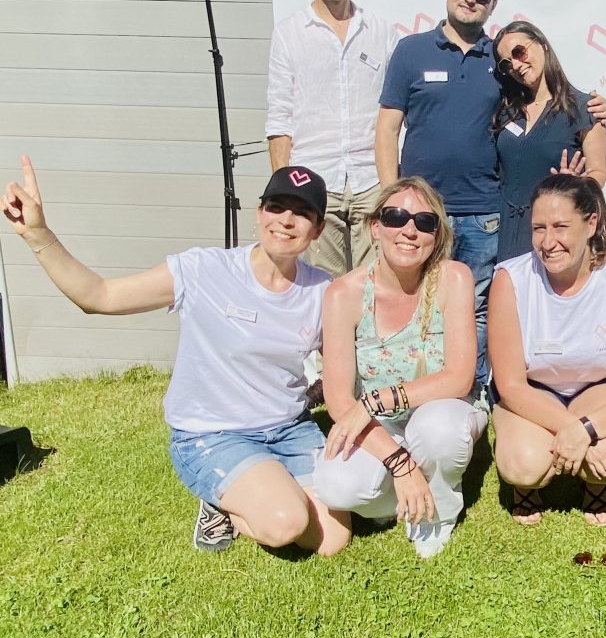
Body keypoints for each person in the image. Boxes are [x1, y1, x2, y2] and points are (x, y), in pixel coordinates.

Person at [2, 157, 352, 555]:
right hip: (213, 433)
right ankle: (219, 499)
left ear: (319, 228)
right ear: (259, 213)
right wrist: (38, 235)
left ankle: (255, 486)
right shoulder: (202, 270)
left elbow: (352, 366)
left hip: (289, 428)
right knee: (285, 522)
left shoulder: (324, 290)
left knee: (333, 540)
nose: (286, 220)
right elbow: (99, 296)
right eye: (276, 207)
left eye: (302, 213)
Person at [375, 0, 606, 400]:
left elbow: (553, 105)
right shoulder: (410, 51)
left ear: (492, 3)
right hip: (422, 215)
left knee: (480, 310)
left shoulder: (497, 61)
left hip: (485, 214)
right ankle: (408, 390)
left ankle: (473, 394)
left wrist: (595, 108)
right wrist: (393, 198)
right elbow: (387, 128)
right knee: (415, 303)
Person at [311, 177, 486, 559]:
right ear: (376, 226)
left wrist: (380, 399)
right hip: (381, 425)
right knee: (335, 487)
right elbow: (339, 398)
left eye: (425, 222)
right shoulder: (345, 293)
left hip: (443, 407)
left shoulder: (453, 278)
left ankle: (437, 507)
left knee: (438, 430)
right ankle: (401, 494)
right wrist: (398, 461)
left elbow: (459, 377)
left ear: (436, 235)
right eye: (396, 217)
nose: (410, 230)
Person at [488, 175, 606, 527]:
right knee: (523, 464)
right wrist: (578, 431)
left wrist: (587, 430)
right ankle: (530, 481)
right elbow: (511, 386)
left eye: (561, 227)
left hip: (598, 386)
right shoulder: (510, 279)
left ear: (591, 223)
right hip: (532, 391)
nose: (548, 242)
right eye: (539, 228)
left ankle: (595, 483)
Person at [266, 0, 398, 280]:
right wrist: (286, 192)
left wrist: (392, 188)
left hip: (372, 183)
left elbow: (397, 112)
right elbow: (279, 119)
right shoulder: (289, 33)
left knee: (376, 291)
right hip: (314, 183)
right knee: (319, 295)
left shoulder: (381, 32)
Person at [491, 20, 606, 262]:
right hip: (505, 231)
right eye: (506, 63)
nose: (515, 65)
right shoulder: (506, 111)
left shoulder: (584, 108)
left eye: (519, 52)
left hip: (553, 232)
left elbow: (598, 171)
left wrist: (574, 185)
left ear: (542, 44)